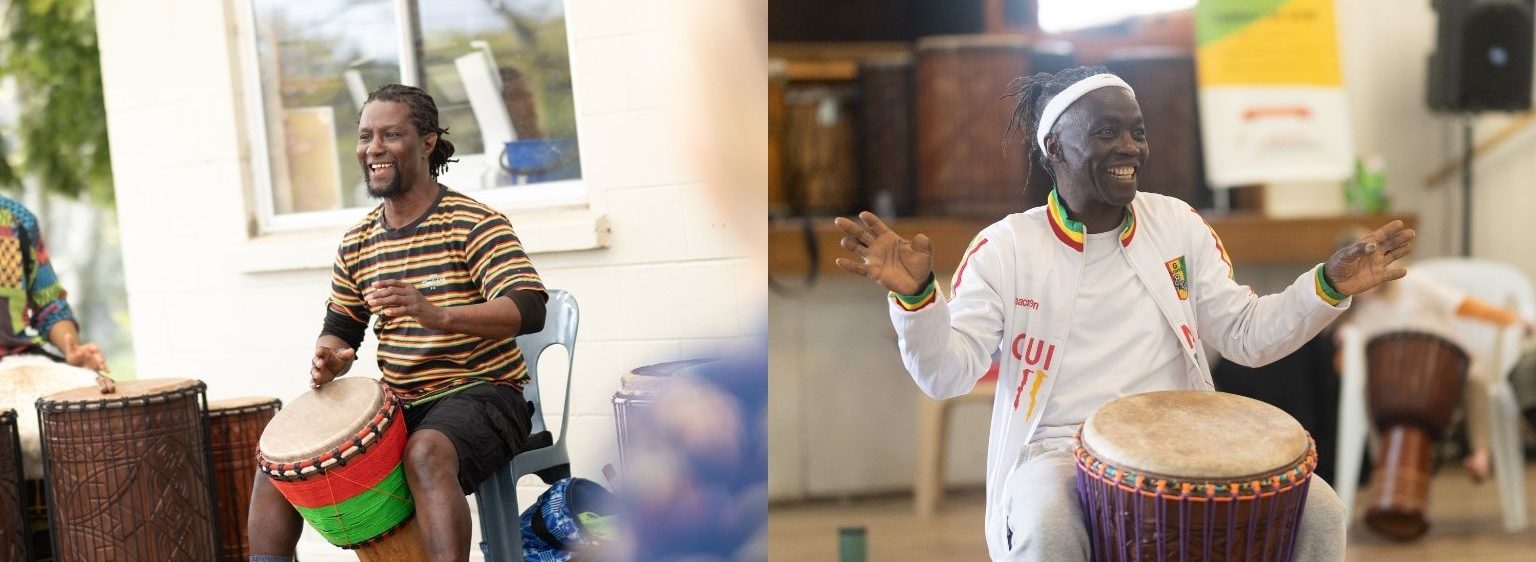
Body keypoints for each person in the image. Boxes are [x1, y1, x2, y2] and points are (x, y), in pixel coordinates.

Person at [834, 67, 1415, 561]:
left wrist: (1329, 286)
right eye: (1108, 132)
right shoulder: (1006, 247)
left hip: (1189, 445)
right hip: (1060, 454)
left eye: (1137, 132)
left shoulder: (1178, 224)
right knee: (1047, 526)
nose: (1131, 148)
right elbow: (947, 374)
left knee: (1320, 509)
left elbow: (1246, 335)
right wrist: (916, 299)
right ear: (1056, 147)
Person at [247, 84, 549, 562]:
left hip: (484, 394)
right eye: (365, 136)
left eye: (391, 134)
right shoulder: (359, 241)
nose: (374, 149)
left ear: (427, 142)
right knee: (280, 466)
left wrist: (438, 315)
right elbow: (342, 328)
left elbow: (529, 308)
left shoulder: (473, 221)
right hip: (401, 403)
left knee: (425, 453)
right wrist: (331, 357)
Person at [1332, 229, 1535, 481]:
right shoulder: (1355, 318)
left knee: (1477, 379)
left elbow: (1463, 305)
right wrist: (1344, 347)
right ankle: (1387, 467)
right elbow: (1348, 371)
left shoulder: (1412, 283)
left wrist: (1511, 319)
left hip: (1447, 371)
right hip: (1393, 389)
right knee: (1367, 393)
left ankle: (1480, 454)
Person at [0, 194, 112, 392]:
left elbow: (49, 305)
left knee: (99, 393)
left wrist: (73, 348)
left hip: (17, 360)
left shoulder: (17, 220)